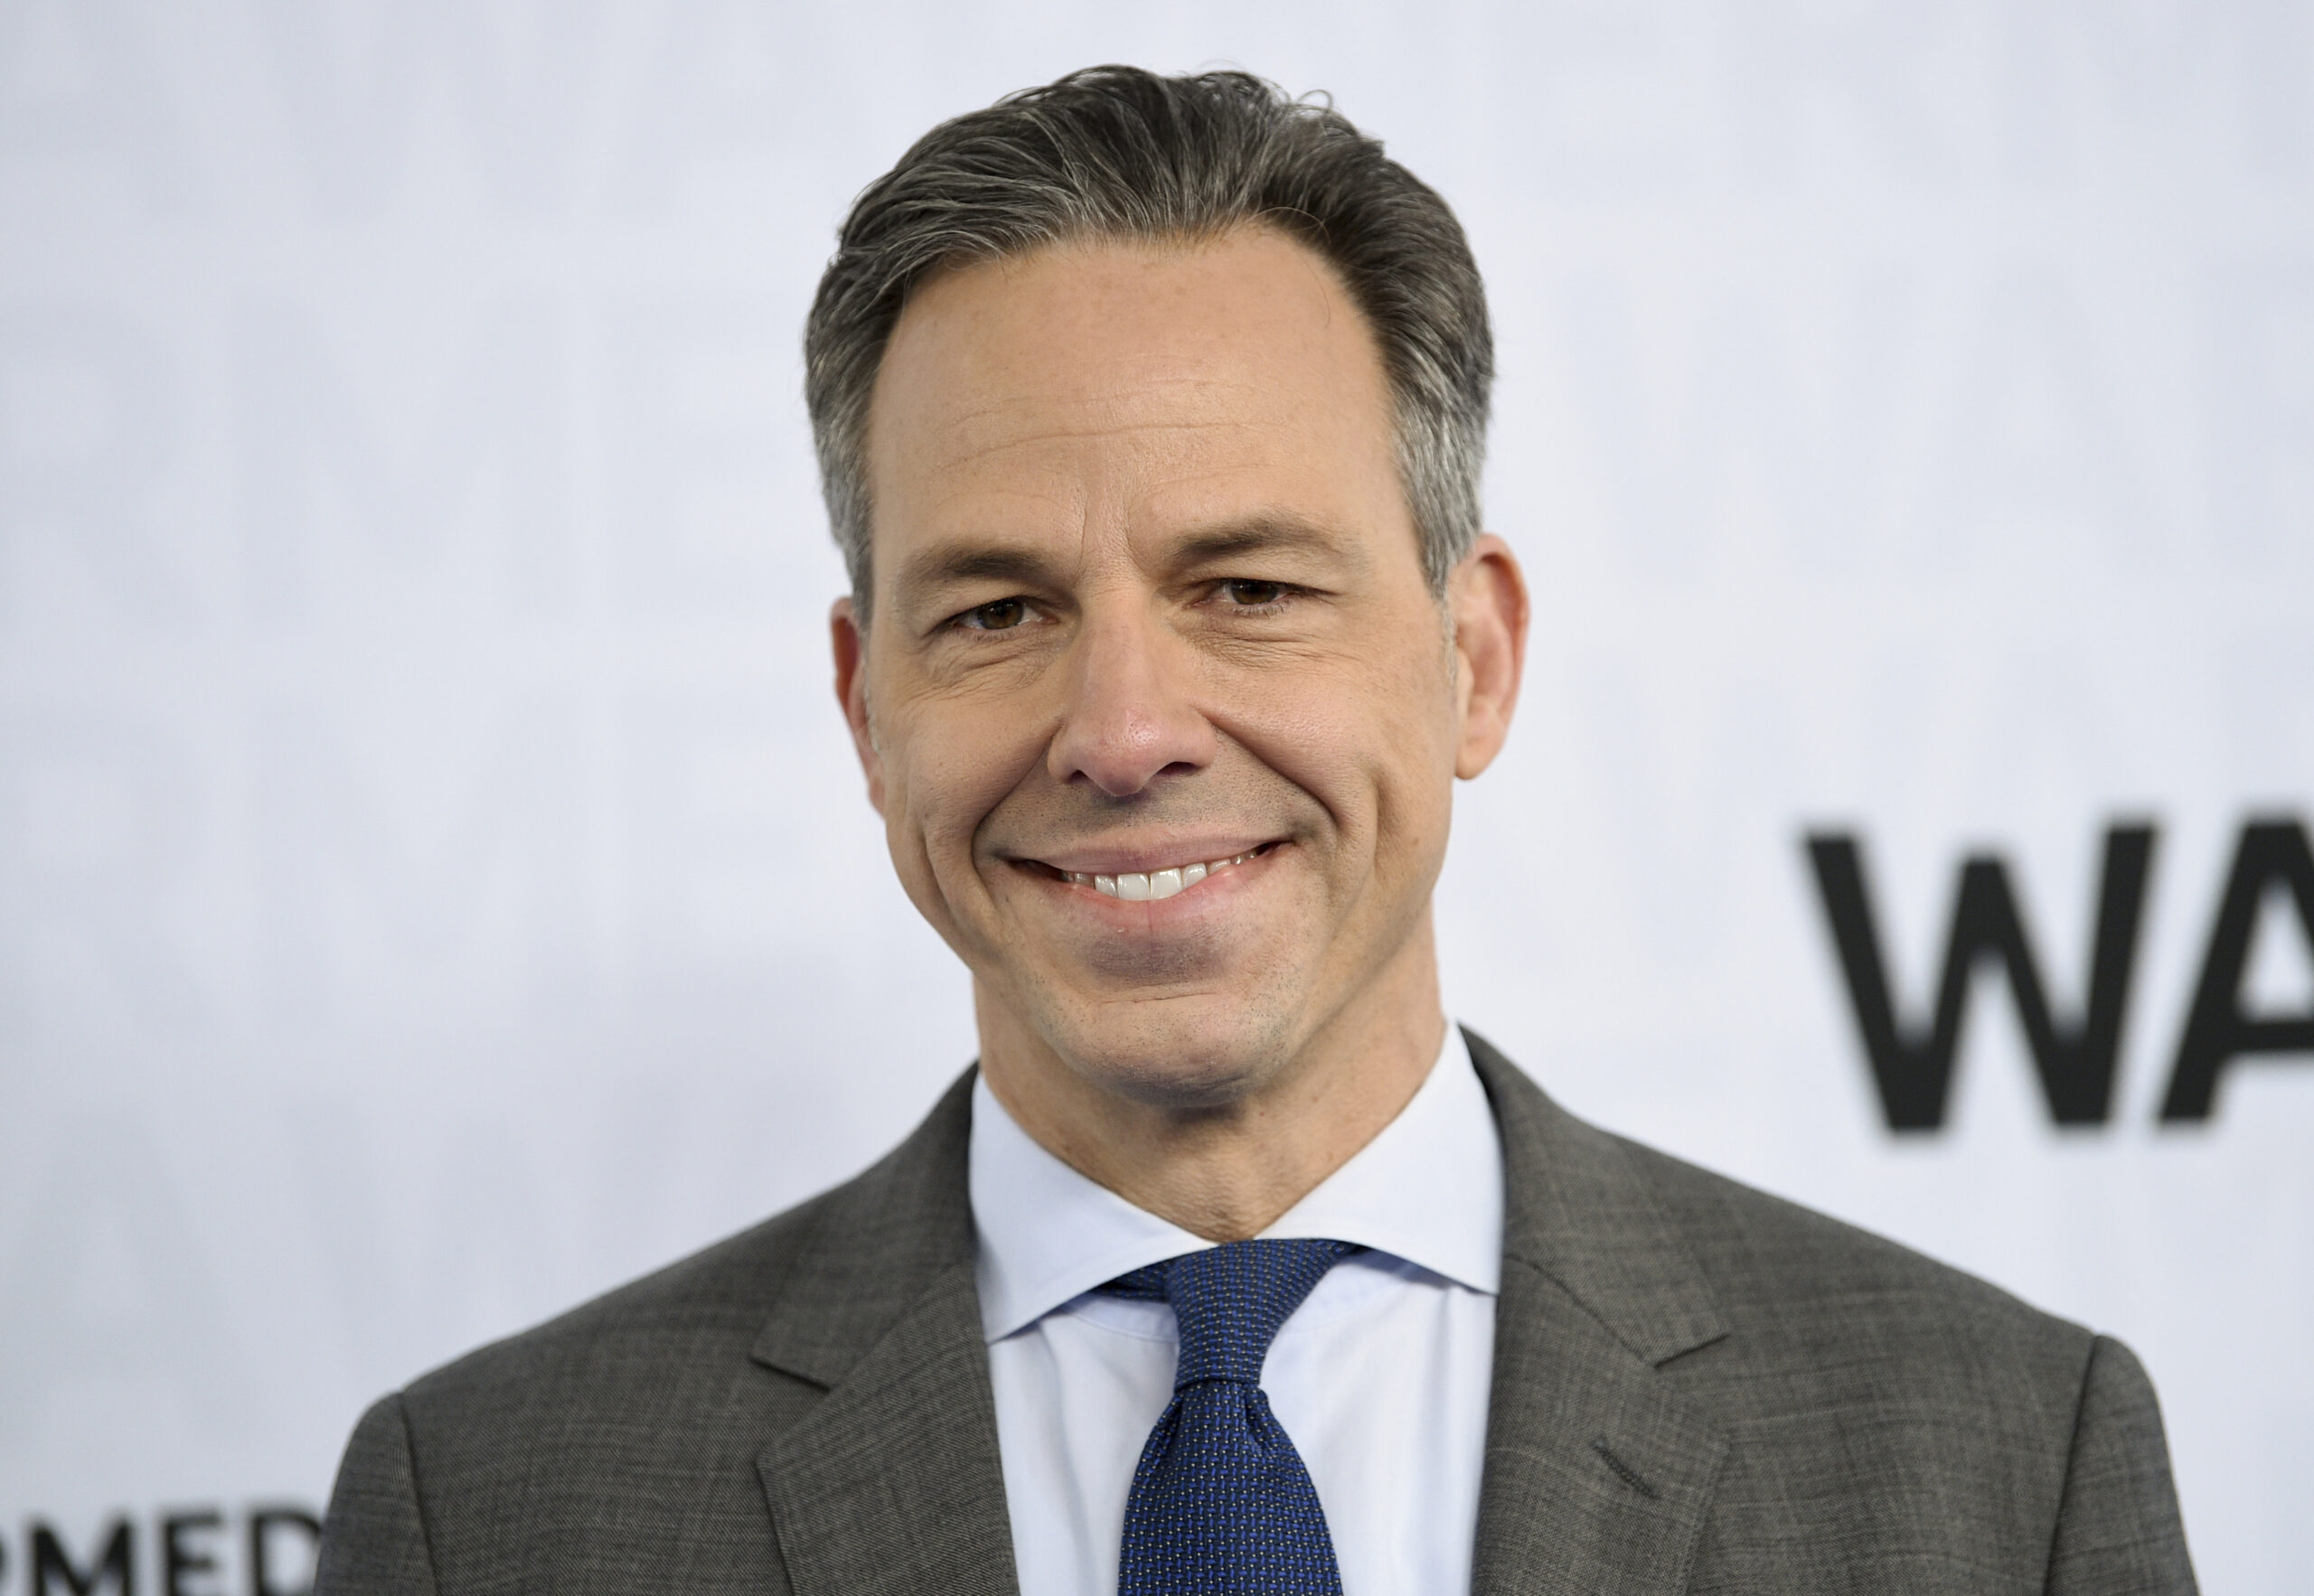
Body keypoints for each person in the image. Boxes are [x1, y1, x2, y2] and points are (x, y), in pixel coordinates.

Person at [315, 66, 2196, 1596]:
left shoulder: (1998, 1463)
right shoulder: (486, 1515)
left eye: (1245, 588)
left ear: (1470, 660)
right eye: (992, 612)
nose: (1122, 733)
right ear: (860, 706)